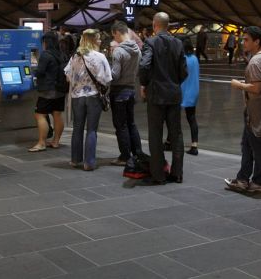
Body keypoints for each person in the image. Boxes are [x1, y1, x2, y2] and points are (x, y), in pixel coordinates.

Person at [225, 26, 261, 193]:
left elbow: (255, 88)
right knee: (248, 144)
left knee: (256, 146)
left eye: (247, 39)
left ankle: (259, 181)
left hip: (255, 109)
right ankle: (242, 179)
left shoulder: (256, 61)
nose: (243, 42)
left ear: (257, 41)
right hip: (260, 107)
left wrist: (238, 85)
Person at [139, 12, 188, 184]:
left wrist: (144, 84)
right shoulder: (178, 43)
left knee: (155, 134)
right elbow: (184, 72)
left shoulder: (150, 42)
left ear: (154, 25)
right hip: (174, 95)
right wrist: (174, 83)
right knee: (177, 134)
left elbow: (144, 65)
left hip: (156, 95)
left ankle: (159, 174)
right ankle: (177, 173)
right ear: (167, 25)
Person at [65, 29, 112, 171]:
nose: (99, 41)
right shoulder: (100, 57)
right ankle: (89, 163)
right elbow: (107, 78)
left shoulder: (75, 56)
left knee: (77, 128)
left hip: (77, 97)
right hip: (93, 96)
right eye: (97, 39)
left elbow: (67, 75)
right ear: (92, 40)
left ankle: (75, 160)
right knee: (91, 130)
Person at [109, 21, 143, 166]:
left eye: (114, 36)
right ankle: (137, 153)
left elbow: (115, 75)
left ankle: (124, 156)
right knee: (131, 123)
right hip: (131, 89)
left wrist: (104, 72)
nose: (114, 39)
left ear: (117, 32)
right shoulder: (137, 50)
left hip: (119, 92)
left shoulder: (118, 51)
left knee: (121, 125)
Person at [30, 32, 66, 152]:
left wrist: (32, 71)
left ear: (46, 42)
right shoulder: (62, 54)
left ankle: (41, 143)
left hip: (48, 90)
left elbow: (40, 72)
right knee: (57, 115)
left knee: (40, 114)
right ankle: (55, 142)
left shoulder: (46, 55)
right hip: (61, 90)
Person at [181, 38, 200, 156]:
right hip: (194, 90)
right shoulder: (195, 58)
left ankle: (170, 142)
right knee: (192, 118)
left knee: (173, 119)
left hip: (183, 90)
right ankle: (194, 145)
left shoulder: (182, 59)